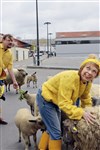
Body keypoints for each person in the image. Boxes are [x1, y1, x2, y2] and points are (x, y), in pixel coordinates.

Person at [36, 54, 100, 150]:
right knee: (56, 132)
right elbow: (64, 103)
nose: (89, 72)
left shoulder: (88, 82)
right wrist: (81, 112)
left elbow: (85, 98)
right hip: (46, 98)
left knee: (52, 127)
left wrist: (89, 111)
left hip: (56, 100)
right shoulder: (70, 78)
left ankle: (41, 148)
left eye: (94, 71)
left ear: (96, 75)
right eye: (88, 68)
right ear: (82, 68)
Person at [0, 34, 19, 125]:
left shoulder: (10, 54)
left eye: (12, 41)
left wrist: (15, 81)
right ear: (3, 40)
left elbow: (10, 68)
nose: (10, 42)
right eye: (8, 40)